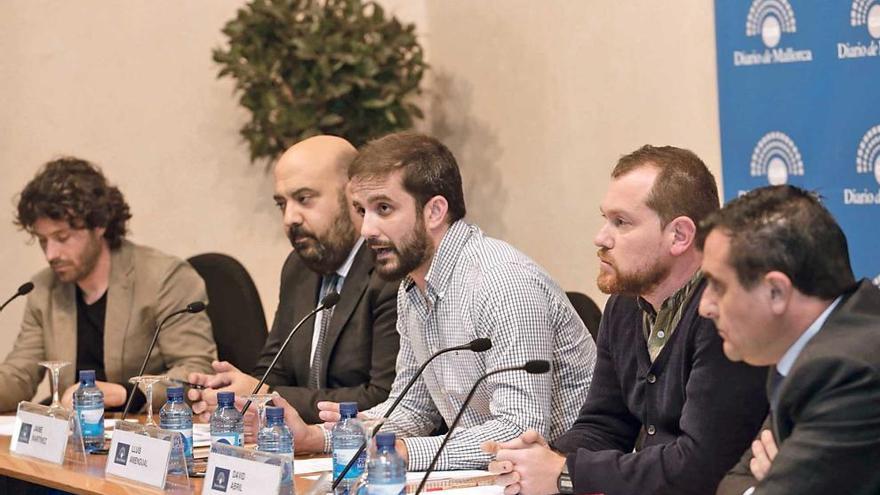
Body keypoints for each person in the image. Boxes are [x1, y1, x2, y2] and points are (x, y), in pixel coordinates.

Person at [272, 131, 596, 471]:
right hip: (493, 476)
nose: (367, 229)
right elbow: (413, 409)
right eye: (360, 210)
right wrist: (319, 437)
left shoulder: (502, 282)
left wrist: (408, 453)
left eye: (383, 208)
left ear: (435, 211)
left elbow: (519, 430)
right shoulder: (413, 288)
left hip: (566, 476)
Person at [488, 145, 768, 495]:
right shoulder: (623, 305)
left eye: (621, 222)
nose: (601, 238)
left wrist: (565, 472)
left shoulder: (722, 315)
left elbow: (700, 466)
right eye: (605, 219)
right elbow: (605, 424)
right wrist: (542, 458)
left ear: (679, 235)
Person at [187, 136, 400, 424]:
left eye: (303, 199)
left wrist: (266, 395)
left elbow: (385, 398)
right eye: (281, 204)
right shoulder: (298, 268)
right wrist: (233, 392)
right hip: (301, 449)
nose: (290, 218)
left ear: (353, 196)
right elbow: (274, 368)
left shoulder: (390, 270)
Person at [701, 185, 880, 495]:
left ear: (777, 292)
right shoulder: (809, 347)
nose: (705, 306)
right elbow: (734, 481)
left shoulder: (847, 369)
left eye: (718, 286)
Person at [1, 157, 216, 412]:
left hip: (142, 435)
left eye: (62, 237)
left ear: (99, 224)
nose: (51, 254)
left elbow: (195, 370)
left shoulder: (165, 277)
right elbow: (19, 375)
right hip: (73, 436)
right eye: (42, 240)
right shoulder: (43, 289)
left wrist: (124, 393)